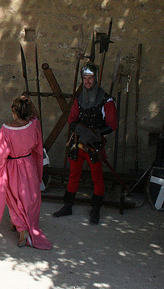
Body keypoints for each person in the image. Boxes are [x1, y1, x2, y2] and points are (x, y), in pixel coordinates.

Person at [53, 62, 117, 225]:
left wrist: (96, 133)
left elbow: (112, 124)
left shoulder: (106, 100)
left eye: (90, 78)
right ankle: (68, 206)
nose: (87, 82)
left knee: (97, 178)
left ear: (95, 79)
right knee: (74, 175)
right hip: (79, 142)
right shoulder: (79, 99)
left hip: (94, 145)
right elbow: (72, 119)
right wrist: (80, 130)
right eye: (85, 78)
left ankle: (96, 210)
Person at [0, 95, 52, 249]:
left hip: (13, 166)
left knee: (14, 198)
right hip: (28, 165)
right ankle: (22, 224)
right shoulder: (34, 125)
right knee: (30, 198)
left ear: (14, 111)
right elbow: (37, 144)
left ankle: (22, 229)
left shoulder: (6, 129)